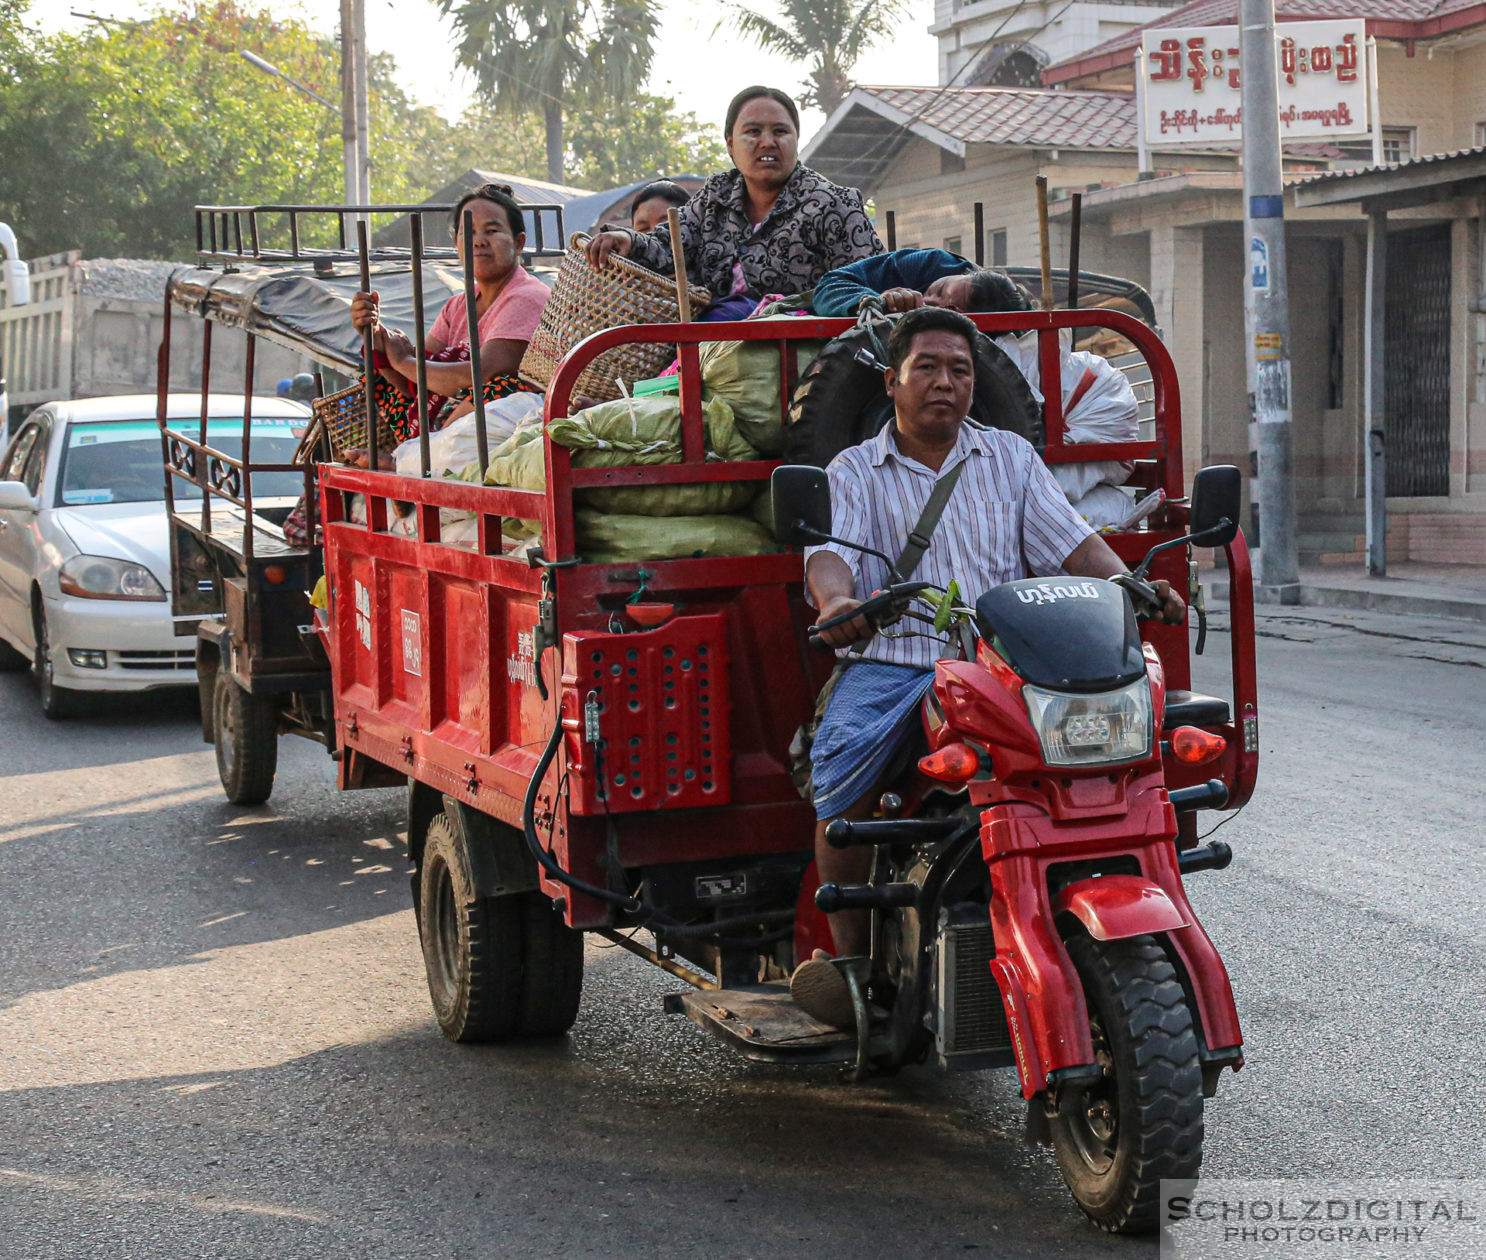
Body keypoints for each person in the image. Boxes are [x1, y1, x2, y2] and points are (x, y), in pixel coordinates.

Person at [788, 307, 1185, 1027]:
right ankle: (847, 964)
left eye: (960, 370)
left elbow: (1072, 544)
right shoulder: (853, 469)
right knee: (838, 772)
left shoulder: (1008, 455)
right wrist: (839, 600)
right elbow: (829, 553)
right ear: (893, 381)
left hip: (1002, 670)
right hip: (895, 662)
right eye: (928, 368)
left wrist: (1129, 585)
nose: (945, 383)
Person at [586, 86, 883, 320]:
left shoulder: (835, 204)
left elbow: (869, 284)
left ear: (796, 139)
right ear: (730, 144)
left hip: (802, 362)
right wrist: (626, 238)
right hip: (710, 354)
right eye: (753, 132)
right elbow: (671, 242)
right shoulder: (715, 197)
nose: (767, 142)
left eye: (780, 131)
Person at [349, 183, 547, 458]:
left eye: (492, 231)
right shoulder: (457, 306)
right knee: (376, 374)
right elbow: (419, 383)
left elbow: (482, 375)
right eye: (469, 233)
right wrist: (378, 339)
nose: (478, 241)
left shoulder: (527, 296)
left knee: (501, 388)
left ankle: (413, 458)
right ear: (457, 244)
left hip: (508, 430)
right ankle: (416, 453)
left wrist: (403, 361)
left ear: (519, 242)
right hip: (450, 422)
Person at [812, 249, 1029, 317]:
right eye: (939, 290)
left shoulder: (1006, 333)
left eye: (945, 311)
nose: (924, 299)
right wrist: (877, 304)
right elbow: (829, 285)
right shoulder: (930, 264)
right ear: (964, 271)